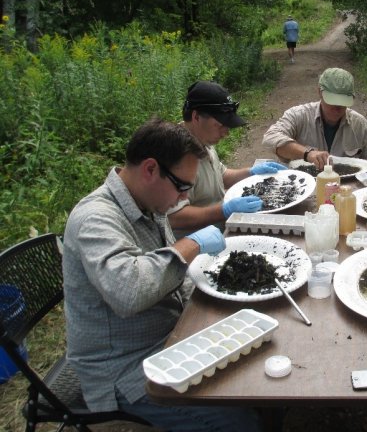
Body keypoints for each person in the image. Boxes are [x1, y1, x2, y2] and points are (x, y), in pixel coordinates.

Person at [62, 118, 262, 432]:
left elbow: (172, 276)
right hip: (125, 365)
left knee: (254, 372)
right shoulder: (95, 220)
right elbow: (129, 292)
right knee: (240, 424)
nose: (184, 198)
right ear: (151, 169)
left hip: (169, 333)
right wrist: (189, 244)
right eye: (182, 186)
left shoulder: (147, 203)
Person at [168, 80, 286, 238]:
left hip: (221, 229)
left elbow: (220, 176)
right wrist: (223, 210)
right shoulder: (174, 155)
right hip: (197, 244)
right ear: (196, 117)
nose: (226, 133)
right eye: (220, 125)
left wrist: (251, 172)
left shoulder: (203, 139)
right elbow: (174, 217)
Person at [262, 67, 367, 170]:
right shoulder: (299, 115)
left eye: (342, 103)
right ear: (319, 92)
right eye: (332, 101)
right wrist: (307, 153)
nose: (337, 108)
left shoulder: (360, 125)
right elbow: (270, 137)